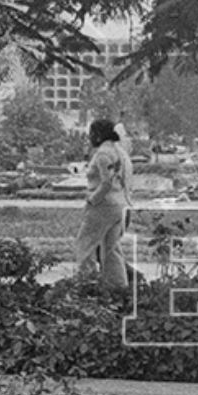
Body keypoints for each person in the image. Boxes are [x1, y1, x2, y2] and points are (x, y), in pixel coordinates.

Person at [71, 117, 132, 288]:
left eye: (91, 133)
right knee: (111, 250)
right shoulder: (119, 152)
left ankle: (86, 285)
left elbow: (106, 182)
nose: (89, 138)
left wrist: (92, 200)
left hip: (102, 205)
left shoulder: (103, 154)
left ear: (97, 134)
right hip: (119, 204)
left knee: (85, 246)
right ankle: (118, 287)